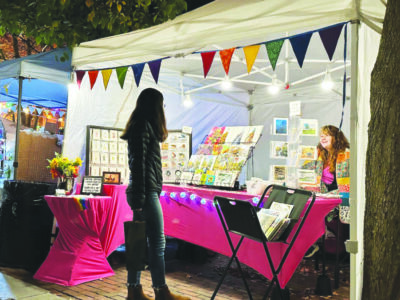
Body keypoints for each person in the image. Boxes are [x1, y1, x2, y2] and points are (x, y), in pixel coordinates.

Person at [120, 88, 190, 300]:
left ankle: (134, 290)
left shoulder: (141, 126)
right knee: (157, 243)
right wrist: (140, 200)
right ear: (155, 106)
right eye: (162, 105)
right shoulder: (143, 127)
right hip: (146, 193)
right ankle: (161, 291)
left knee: (138, 242)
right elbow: (138, 165)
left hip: (144, 192)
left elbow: (139, 163)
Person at [302, 125, 350, 258]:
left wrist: (325, 195)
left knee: (314, 207)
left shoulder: (346, 154)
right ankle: (314, 240)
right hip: (324, 194)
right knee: (303, 203)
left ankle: (318, 238)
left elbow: (351, 184)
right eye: (321, 135)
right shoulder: (319, 155)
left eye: (326, 135)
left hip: (341, 195)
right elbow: (305, 171)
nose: (322, 138)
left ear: (336, 138)